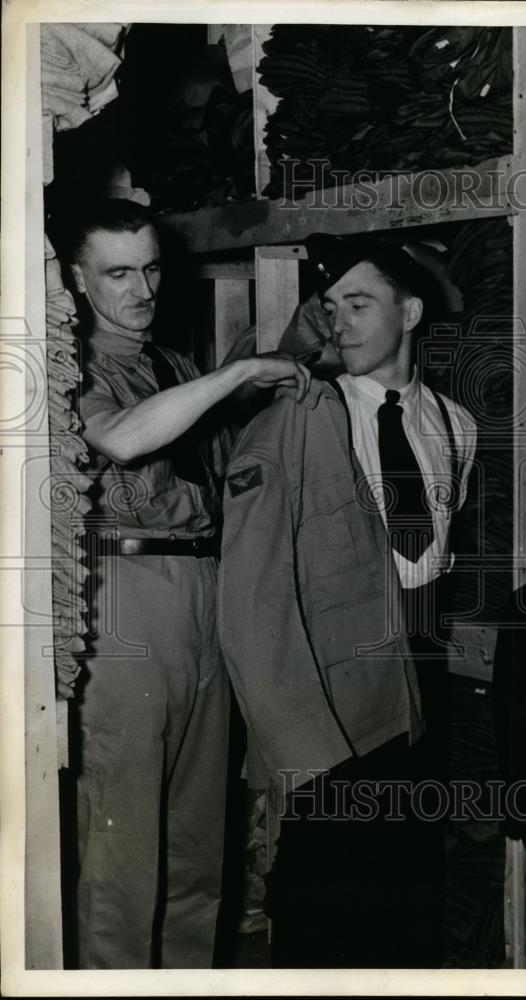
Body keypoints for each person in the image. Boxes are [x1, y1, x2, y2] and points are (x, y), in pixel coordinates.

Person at [218, 233, 476, 967]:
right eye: (331, 307)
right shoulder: (301, 418)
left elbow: (433, 556)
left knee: (410, 879)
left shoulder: (456, 427)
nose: (340, 324)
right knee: (323, 895)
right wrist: (294, 742)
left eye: (359, 304)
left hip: (418, 673)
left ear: (411, 311)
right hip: (335, 678)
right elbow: (258, 589)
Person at [69, 198, 310, 969]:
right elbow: (119, 435)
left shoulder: (168, 362)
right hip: (125, 596)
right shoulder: (64, 361)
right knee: (125, 840)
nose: (140, 289)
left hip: (203, 591)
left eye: (150, 268)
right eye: (116, 273)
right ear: (76, 279)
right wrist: (237, 370)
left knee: (198, 841)